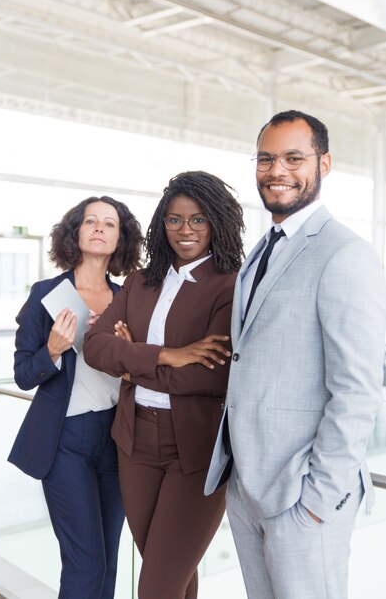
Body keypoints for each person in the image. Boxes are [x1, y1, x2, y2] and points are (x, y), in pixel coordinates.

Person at [205, 110, 386, 599]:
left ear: (324, 163)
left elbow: (358, 389)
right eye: (265, 158)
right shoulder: (263, 249)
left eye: (293, 158)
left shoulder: (343, 253)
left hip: (303, 496)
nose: (276, 170)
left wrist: (318, 497)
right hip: (248, 486)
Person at [83, 171, 245, 599]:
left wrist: (132, 363)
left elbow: (212, 375)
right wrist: (168, 355)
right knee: (170, 572)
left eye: (197, 220)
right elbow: (95, 347)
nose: (185, 230)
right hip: (134, 441)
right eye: (174, 220)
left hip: (195, 450)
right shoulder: (139, 281)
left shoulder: (232, 286)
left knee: (155, 586)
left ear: (217, 222)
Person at [8, 196, 143, 599]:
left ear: (121, 239)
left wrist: (128, 349)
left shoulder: (129, 301)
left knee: (108, 563)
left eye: (110, 224)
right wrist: (51, 350)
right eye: (90, 221)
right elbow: (22, 375)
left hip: (117, 440)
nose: (99, 228)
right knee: (85, 564)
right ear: (76, 232)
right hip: (66, 440)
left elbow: (137, 373)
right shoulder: (46, 294)